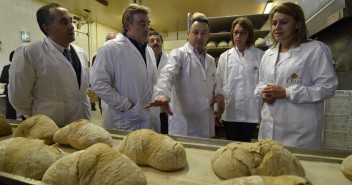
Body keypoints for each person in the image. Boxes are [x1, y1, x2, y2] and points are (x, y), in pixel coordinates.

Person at [254, 2, 338, 148]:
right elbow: (261, 83)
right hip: (269, 129)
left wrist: (287, 92)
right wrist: (263, 92)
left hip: (300, 134)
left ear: (297, 24)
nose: (277, 27)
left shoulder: (315, 50)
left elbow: (327, 88)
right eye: (274, 23)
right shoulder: (268, 54)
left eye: (284, 22)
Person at [145, 12, 225, 138]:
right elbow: (167, 75)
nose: (199, 36)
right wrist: (161, 94)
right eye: (195, 32)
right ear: (188, 34)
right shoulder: (179, 54)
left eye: (203, 33)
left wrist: (219, 94)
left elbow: (215, 83)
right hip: (184, 126)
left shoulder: (210, 60)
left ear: (208, 36)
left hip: (205, 123)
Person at [9, 3, 91, 125]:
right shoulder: (29, 52)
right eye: (64, 22)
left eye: (71, 21)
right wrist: (38, 117)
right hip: (51, 124)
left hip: (82, 121)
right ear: (47, 28)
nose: (71, 27)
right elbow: (18, 98)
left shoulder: (81, 53)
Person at [90, 4, 160, 131]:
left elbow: (150, 82)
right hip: (125, 119)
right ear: (127, 25)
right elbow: (98, 83)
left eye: (148, 24)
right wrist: (126, 106)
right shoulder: (110, 48)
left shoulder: (148, 50)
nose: (147, 28)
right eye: (142, 24)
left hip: (148, 116)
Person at [217, 17, 264, 142]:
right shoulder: (225, 57)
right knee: (231, 144)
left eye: (242, 32)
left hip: (251, 111)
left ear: (249, 35)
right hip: (230, 111)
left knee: (246, 143)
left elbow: (263, 82)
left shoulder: (260, 55)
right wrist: (217, 111)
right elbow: (218, 84)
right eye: (235, 32)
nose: (238, 36)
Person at [147, 30, 169, 134]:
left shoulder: (170, 59)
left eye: (158, 40)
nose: (155, 42)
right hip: (149, 104)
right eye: (152, 40)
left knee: (165, 134)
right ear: (148, 44)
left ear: (161, 43)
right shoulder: (143, 59)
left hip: (165, 107)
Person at [0, 51, 17, 119]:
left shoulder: (24, 67)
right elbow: (2, 79)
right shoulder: (7, 67)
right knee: (11, 111)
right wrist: (12, 80)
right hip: (10, 91)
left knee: (24, 112)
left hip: (22, 91)